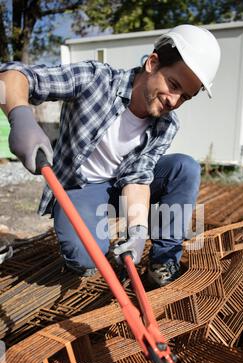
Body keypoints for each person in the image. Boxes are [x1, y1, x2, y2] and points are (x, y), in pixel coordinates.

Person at [0, 24, 221, 286]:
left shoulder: (167, 125)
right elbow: (12, 75)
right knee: (85, 260)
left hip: (121, 188)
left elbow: (138, 178)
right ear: (152, 63)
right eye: (173, 85)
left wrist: (137, 231)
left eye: (185, 96)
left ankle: (164, 261)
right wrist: (20, 116)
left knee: (185, 168)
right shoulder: (96, 80)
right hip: (82, 188)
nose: (174, 101)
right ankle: (86, 234)